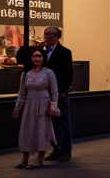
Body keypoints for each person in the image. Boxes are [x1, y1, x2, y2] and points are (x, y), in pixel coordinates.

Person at [12, 47, 58, 169]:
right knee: (26, 129)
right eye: (34, 56)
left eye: (39, 56)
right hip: (29, 104)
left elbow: (54, 91)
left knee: (41, 129)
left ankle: (39, 158)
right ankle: (25, 158)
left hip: (43, 103)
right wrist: (17, 108)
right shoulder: (26, 73)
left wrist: (53, 107)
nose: (36, 59)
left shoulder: (49, 73)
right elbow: (21, 92)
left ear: (43, 58)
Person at [40, 27, 73, 163]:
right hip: (44, 92)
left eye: (51, 35)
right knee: (51, 123)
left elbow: (68, 73)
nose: (48, 37)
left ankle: (66, 150)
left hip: (59, 93)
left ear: (57, 37)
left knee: (63, 122)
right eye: (46, 35)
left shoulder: (64, 52)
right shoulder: (41, 51)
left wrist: (63, 91)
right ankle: (56, 149)